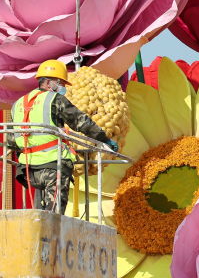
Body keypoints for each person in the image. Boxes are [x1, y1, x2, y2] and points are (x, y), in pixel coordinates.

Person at [10, 60, 118, 213]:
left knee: (44, 213)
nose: (62, 87)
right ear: (48, 82)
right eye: (60, 83)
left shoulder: (18, 104)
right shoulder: (54, 99)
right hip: (53, 166)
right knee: (54, 214)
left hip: (28, 169)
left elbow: (12, 139)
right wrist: (104, 139)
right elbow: (80, 121)